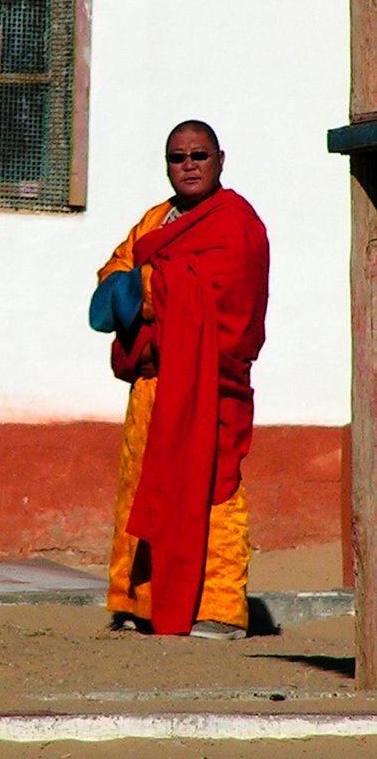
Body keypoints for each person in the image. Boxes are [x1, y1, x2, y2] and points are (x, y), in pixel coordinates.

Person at [89, 120, 269, 639]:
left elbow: (227, 298)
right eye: (177, 157)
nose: (188, 165)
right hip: (151, 385)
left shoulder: (235, 223)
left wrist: (146, 285)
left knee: (214, 489)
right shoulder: (154, 220)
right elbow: (107, 289)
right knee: (141, 490)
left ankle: (219, 607)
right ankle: (136, 600)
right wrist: (145, 287)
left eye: (199, 155)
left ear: (220, 160)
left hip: (207, 383)